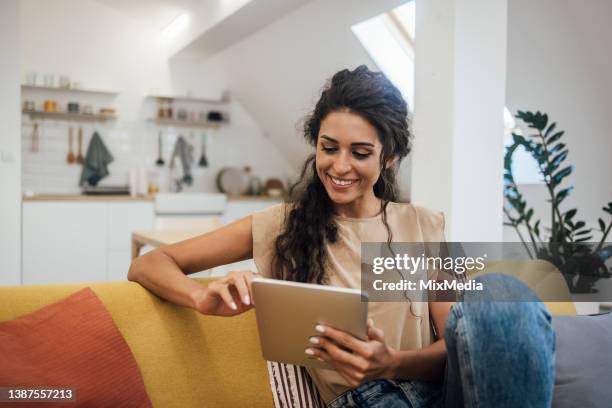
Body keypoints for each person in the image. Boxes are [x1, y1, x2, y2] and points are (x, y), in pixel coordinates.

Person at [128, 65, 555, 407]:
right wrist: (202, 298)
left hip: (445, 394)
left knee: (498, 291)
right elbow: (147, 263)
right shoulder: (282, 225)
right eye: (329, 148)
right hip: (366, 401)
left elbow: (457, 347)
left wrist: (392, 363)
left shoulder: (425, 226)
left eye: (361, 153)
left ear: (388, 158)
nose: (340, 166)